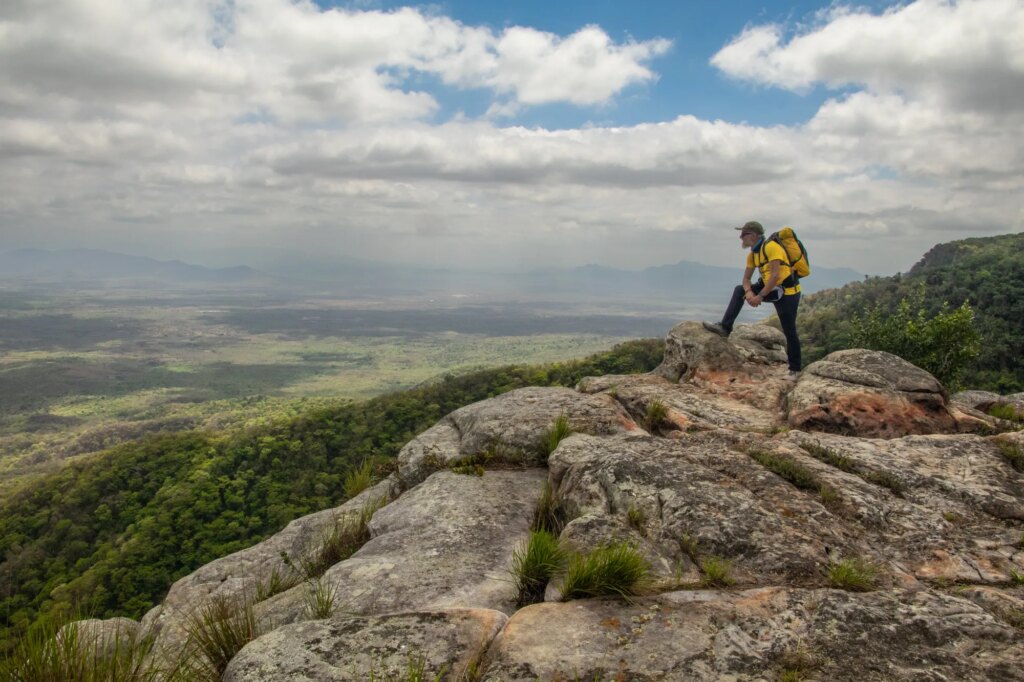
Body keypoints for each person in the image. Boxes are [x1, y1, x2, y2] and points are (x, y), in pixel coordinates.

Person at [703, 221, 802, 379]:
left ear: (754, 235)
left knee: (789, 330)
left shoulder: (771, 247)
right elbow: (746, 279)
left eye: (744, 234)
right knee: (739, 290)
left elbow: (776, 276)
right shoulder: (753, 254)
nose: (741, 237)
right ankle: (725, 327)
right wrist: (749, 292)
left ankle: (795, 369)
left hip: (788, 293)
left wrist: (760, 296)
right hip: (769, 288)